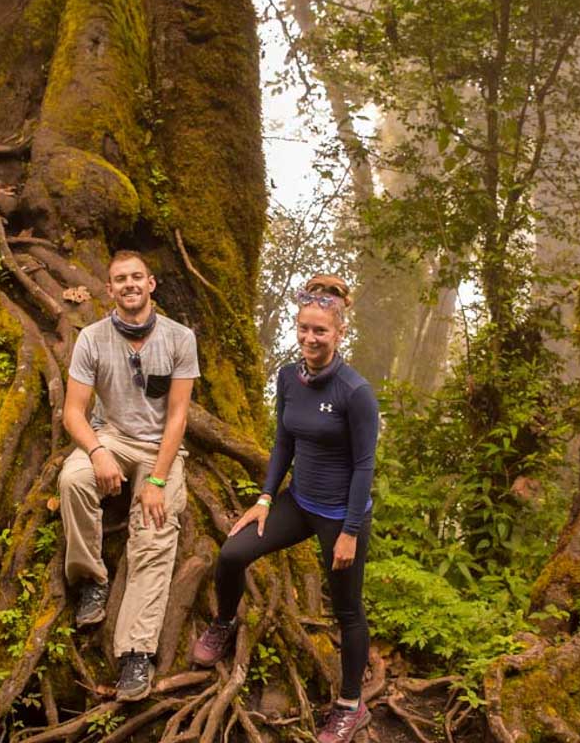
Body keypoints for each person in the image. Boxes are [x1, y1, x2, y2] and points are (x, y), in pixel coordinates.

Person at [192, 275, 379, 743]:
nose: (311, 338)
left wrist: (350, 532)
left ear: (339, 334)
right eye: (304, 328)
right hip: (298, 501)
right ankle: (224, 622)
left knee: (347, 610)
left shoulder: (355, 392)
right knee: (232, 554)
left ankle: (350, 705)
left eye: (321, 331)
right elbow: (283, 443)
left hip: (340, 515)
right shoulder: (288, 377)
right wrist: (263, 499)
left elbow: (363, 467)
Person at [57, 250, 198, 702]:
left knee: (155, 530)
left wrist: (156, 481)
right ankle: (92, 580)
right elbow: (73, 413)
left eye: (137, 277)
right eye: (121, 279)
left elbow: (178, 416)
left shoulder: (179, 338)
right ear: (110, 289)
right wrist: (97, 452)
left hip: (160, 448)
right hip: (111, 435)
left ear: (151, 284)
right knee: (73, 480)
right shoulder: (93, 339)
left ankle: (136, 652)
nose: (130, 284)